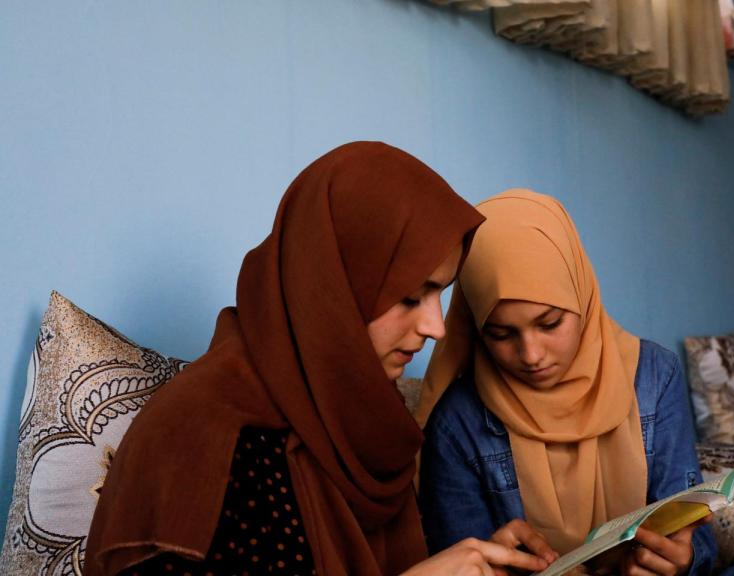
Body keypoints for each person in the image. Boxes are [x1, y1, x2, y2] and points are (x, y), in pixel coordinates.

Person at [86, 143, 557, 576]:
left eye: (441, 295)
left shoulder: (360, 418)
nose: (436, 327)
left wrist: (479, 561)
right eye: (411, 297)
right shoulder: (203, 436)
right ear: (331, 291)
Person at [415, 189, 734, 576]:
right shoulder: (457, 423)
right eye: (501, 335)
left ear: (582, 296)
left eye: (550, 323)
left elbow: (694, 533)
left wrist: (678, 560)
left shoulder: (651, 375)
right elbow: (458, 561)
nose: (531, 355)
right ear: (476, 328)